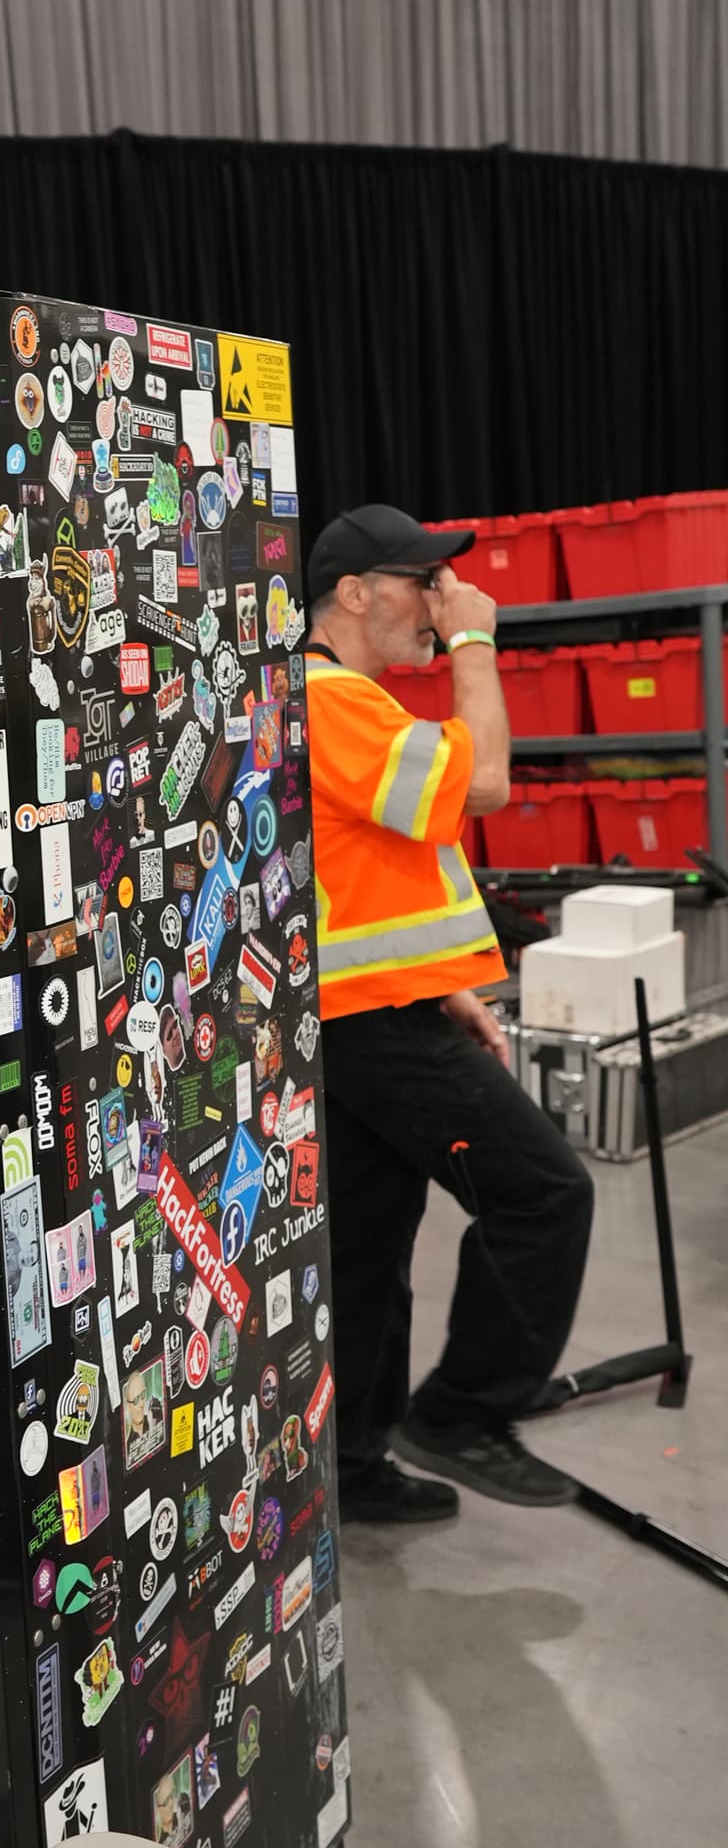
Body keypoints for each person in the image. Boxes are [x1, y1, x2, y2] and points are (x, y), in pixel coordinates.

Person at [303, 505, 595, 1523]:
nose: (436, 604)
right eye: (418, 583)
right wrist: (475, 643)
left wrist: (446, 984)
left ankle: (346, 1466)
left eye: (443, 588)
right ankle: (461, 1413)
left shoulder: (350, 706)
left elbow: (366, 873)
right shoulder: (326, 699)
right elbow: (483, 781)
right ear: (350, 593)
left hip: (370, 1011)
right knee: (542, 1195)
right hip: (374, 1027)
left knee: (366, 1248)